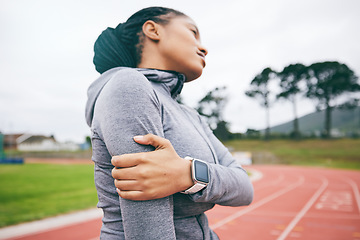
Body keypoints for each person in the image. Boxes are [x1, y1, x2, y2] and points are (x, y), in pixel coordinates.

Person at [85, 6, 253, 240]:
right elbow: (149, 231)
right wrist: (209, 179)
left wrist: (189, 174)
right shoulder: (128, 86)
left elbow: (244, 188)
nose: (203, 47)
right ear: (153, 30)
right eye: (193, 32)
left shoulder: (190, 115)